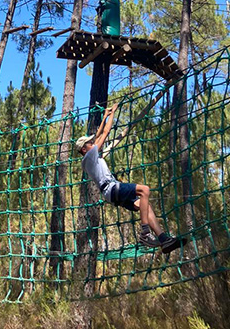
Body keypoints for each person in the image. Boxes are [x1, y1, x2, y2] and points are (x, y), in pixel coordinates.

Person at [75, 103, 184, 253]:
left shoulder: (90, 157)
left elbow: (98, 135)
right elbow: (105, 132)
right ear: (84, 149)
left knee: (144, 206)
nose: (92, 143)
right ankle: (145, 233)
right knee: (144, 190)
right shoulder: (89, 157)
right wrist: (113, 112)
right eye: (89, 143)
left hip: (111, 192)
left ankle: (163, 238)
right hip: (112, 188)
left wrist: (105, 116)